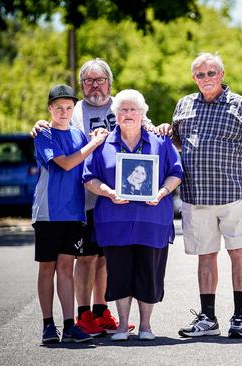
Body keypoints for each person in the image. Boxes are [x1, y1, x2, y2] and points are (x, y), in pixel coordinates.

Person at [31, 59, 137, 336]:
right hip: (70, 204)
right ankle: (67, 318)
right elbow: (63, 150)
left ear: (109, 82)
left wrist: (159, 127)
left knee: (98, 259)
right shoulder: (66, 120)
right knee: (74, 261)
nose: (94, 85)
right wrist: (42, 123)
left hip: (107, 200)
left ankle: (89, 317)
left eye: (99, 80)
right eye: (88, 81)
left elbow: (141, 125)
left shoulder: (119, 106)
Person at [168, 53, 242, 339]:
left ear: (222, 74)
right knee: (205, 257)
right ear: (193, 78)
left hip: (232, 195)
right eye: (200, 75)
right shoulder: (184, 105)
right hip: (195, 196)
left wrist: (237, 169)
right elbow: (176, 139)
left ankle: (239, 318)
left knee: (238, 253)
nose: (206, 79)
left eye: (211, 73)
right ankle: (208, 318)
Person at [83, 89, 183, 341]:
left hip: (152, 221)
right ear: (116, 115)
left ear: (142, 114)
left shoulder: (160, 142)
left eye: (133, 110)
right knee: (119, 273)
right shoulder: (102, 143)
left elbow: (176, 172)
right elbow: (89, 178)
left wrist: (162, 191)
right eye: (123, 110)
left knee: (148, 274)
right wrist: (108, 192)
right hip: (114, 222)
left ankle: (146, 326)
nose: (128, 114)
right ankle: (122, 326)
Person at [32, 84, 107, 343]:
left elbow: (93, 159)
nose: (64, 112)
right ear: (50, 109)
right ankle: (47, 325)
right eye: (58, 107)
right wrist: (93, 143)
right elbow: (65, 163)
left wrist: (97, 139)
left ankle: (68, 325)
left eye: (68, 107)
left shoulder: (79, 135)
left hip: (75, 212)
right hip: (48, 213)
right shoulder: (44, 134)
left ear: (73, 109)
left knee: (66, 267)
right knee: (47, 267)